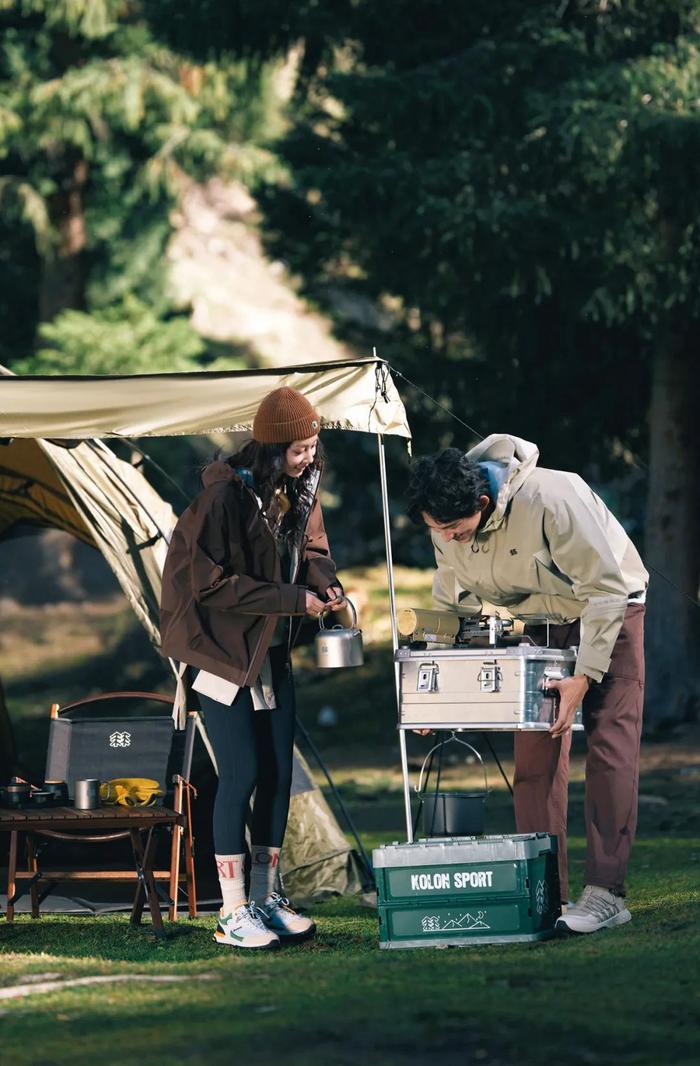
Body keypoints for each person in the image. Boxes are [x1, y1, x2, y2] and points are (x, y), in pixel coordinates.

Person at [406, 434, 648, 936]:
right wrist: (433, 694)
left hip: (612, 611)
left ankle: (606, 892)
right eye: (436, 530)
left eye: (453, 528)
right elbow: (452, 604)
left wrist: (585, 674)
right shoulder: (445, 521)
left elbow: (606, 588)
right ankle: (544, 890)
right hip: (541, 622)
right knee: (534, 757)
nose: (446, 539)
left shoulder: (554, 498)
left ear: (484, 503)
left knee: (610, 746)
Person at [160, 387, 345, 950]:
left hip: (269, 649)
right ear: (269, 447)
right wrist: (294, 601)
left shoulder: (300, 488)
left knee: (279, 778)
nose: (308, 457)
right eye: (298, 449)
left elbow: (312, 549)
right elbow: (210, 586)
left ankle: (265, 900)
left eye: (313, 446)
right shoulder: (224, 498)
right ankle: (233, 913)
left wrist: (326, 584)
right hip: (218, 652)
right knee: (239, 774)